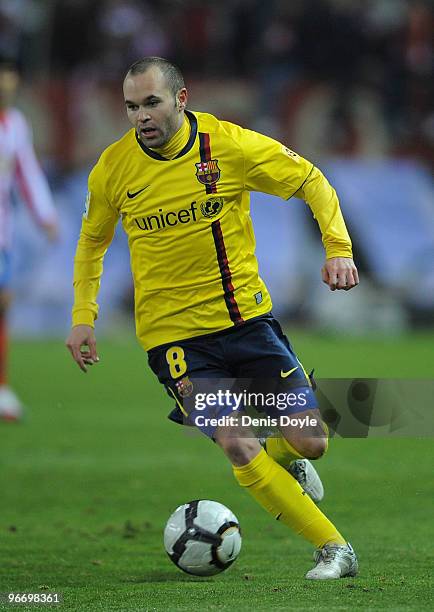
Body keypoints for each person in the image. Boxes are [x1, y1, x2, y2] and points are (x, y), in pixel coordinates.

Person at [66, 57, 359, 580]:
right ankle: (333, 548)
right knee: (236, 441)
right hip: (174, 338)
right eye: (131, 106)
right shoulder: (112, 168)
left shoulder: (229, 146)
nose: (141, 116)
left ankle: (287, 455)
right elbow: (92, 242)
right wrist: (83, 315)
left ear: (181, 99)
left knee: (311, 440)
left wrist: (338, 248)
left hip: (245, 319)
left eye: (151, 102)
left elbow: (312, 180)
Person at [0, 57, 58, 421]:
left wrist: (45, 216)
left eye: (11, 83)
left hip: (2, 235)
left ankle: (2, 387)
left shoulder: (16, 124)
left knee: (3, 307)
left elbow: (26, 172)